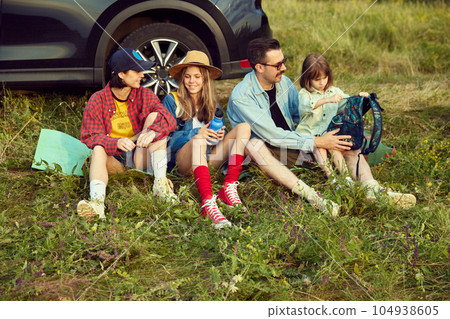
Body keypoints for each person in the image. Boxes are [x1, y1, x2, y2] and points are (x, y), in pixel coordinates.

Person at [227, 38, 415, 215]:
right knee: (254, 145)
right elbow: (272, 135)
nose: (284, 68)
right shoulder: (242, 96)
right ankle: (313, 197)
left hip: (295, 141)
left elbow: (300, 114)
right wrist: (318, 141)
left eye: (284, 61)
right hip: (268, 150)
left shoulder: (282, 82)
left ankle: (373, 189)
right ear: (259, 67)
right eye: (278, 65)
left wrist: (336, 120)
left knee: (344, 138)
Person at [77, 48, 177, 220]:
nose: (142, 75)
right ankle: (97, 205)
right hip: (115, 161)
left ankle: (160, 186)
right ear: (122, 74)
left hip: (140, 155)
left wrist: (153, 132)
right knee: (98, 148)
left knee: (156, 120)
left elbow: (169, 119)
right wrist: (114, 142)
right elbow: (89, 136)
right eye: (137, 71)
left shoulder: (144, 94)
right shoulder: (97, 99)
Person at [162, 50, 251, 229]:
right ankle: (208, 204)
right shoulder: (172, 101)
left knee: (244, 128)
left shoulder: (213, 104)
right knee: (199, 141)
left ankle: (228, 188)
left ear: (204, 79)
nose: (192, 81)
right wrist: (197, 134)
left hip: (208, 159)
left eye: (197, 76)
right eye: (187, 76)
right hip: (183, 161)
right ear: (182, 78)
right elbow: (166, 141)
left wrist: (219, 136)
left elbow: (217, 139)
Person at [296, 53, 369, 187]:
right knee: (320, 148)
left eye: (325, 77)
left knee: (335, 148)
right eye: (317, 79)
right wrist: (327, 100)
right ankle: (333, 179)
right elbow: (305, 107)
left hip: (327, 134)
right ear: (308, 78)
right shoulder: (304, 94)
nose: (322, 82)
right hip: (310, 135)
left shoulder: (333, 91)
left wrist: (360, 97)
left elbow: (346, 103)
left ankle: (346, 178)